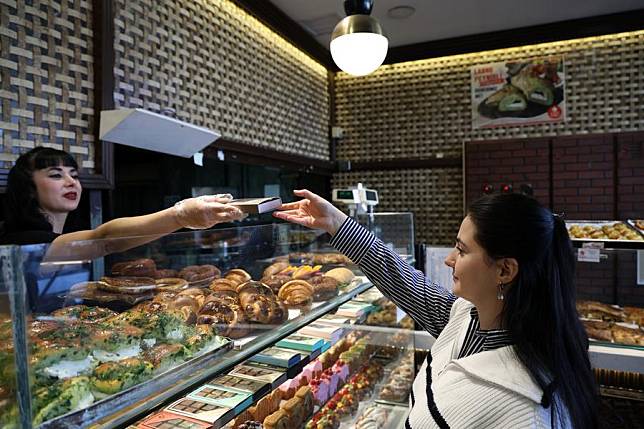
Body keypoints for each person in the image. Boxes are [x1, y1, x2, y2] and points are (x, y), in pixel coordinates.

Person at [274, 189, 598, 429]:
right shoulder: (466, 318)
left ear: (504, 271)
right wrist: (337, 223)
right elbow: (400, 278)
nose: (449, 259)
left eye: (461, 249)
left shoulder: (526, 411)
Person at [0, 147, 245, 259]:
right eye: (55, 175)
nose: (70, 182)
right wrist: (180, 216)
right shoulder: (23, 241)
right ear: (29, 189)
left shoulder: (64, 232)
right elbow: (102, 242)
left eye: (73, 175)